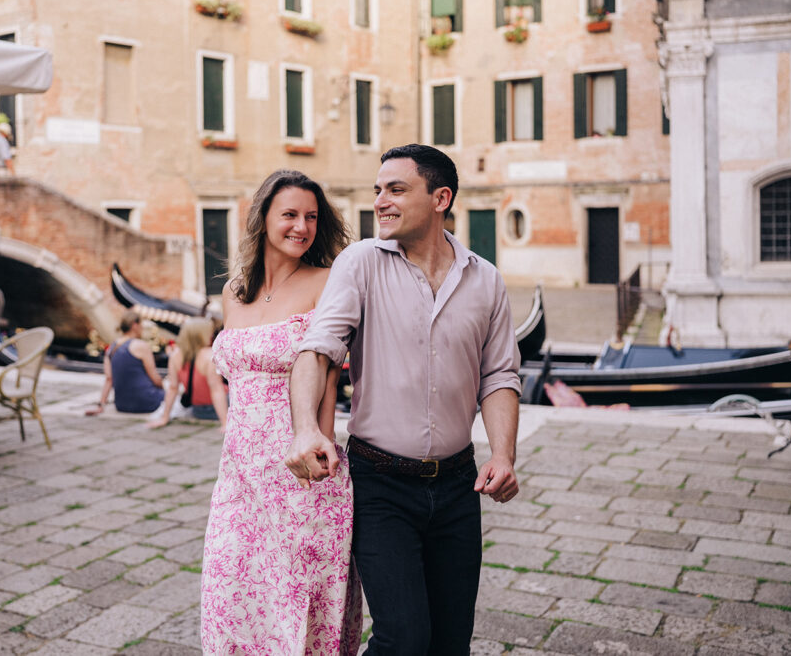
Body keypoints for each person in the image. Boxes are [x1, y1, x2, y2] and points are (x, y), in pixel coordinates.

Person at [286, 144, 522, 655]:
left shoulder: (487, 280)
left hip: (460, 488)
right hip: (380, 485)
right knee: (404, 640)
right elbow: (318, 350)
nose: (380, 202)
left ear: (440, 198)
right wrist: (306, 427)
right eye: (378, 190)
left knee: (450, 642)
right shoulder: (360, 263)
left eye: (396, 189)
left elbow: (500, 374)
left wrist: (503, 455)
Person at [200, 170, 360, 654]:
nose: (301, 226)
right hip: (239, 476)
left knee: (297, 604)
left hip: (302, 471)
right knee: (229, 594)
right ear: (263, 218)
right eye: (289, 214)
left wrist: (323, 446)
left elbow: (330, 373)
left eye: (311, 216)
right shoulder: (234, 292)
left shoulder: (327, 282)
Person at [145, 317, 228, 430]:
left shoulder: (175, 356)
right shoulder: (210, 356)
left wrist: (165, 417)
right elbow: (216, 390)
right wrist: (224, 423)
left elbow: (172, 388)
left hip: (197, 410)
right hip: (220, 408)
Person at [86, 310, 164, 415]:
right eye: (141, 325)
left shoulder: (111, 348)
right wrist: (164, 391)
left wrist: (101, 405)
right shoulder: (141, 345)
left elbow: (109, 379)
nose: (142, 328)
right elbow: (155, 378)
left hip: (122, 405)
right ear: (135, 325)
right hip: (147, 402)